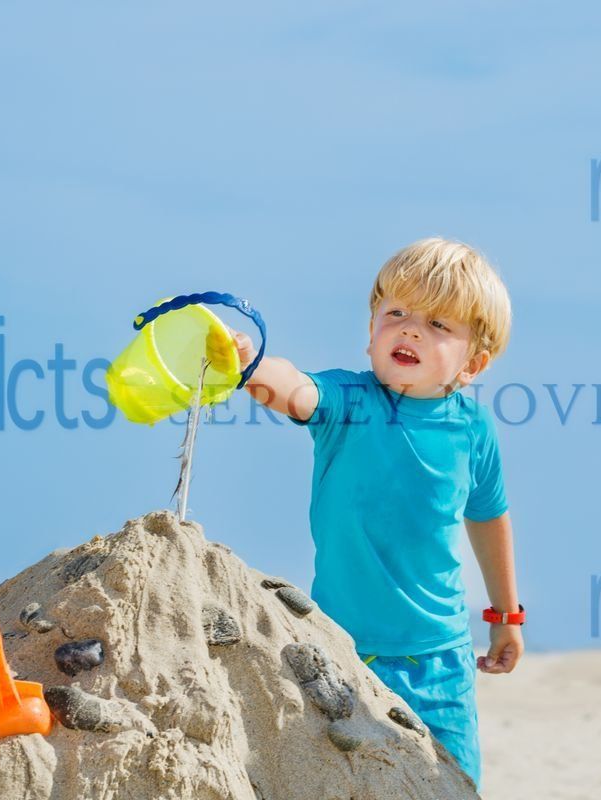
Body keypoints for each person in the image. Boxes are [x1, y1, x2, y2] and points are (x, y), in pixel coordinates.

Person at [230, 237, 522, 790]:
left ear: (473, 362)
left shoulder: (472, 430)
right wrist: (252, 365)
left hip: (440, 660)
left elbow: (488, 518)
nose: (411, 330)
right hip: (343, 649)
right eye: (397, 313)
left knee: (448, 783)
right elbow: (294, 389)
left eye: (439, 325)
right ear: (371, 332)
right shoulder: (348, 402)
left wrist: (506, 615)